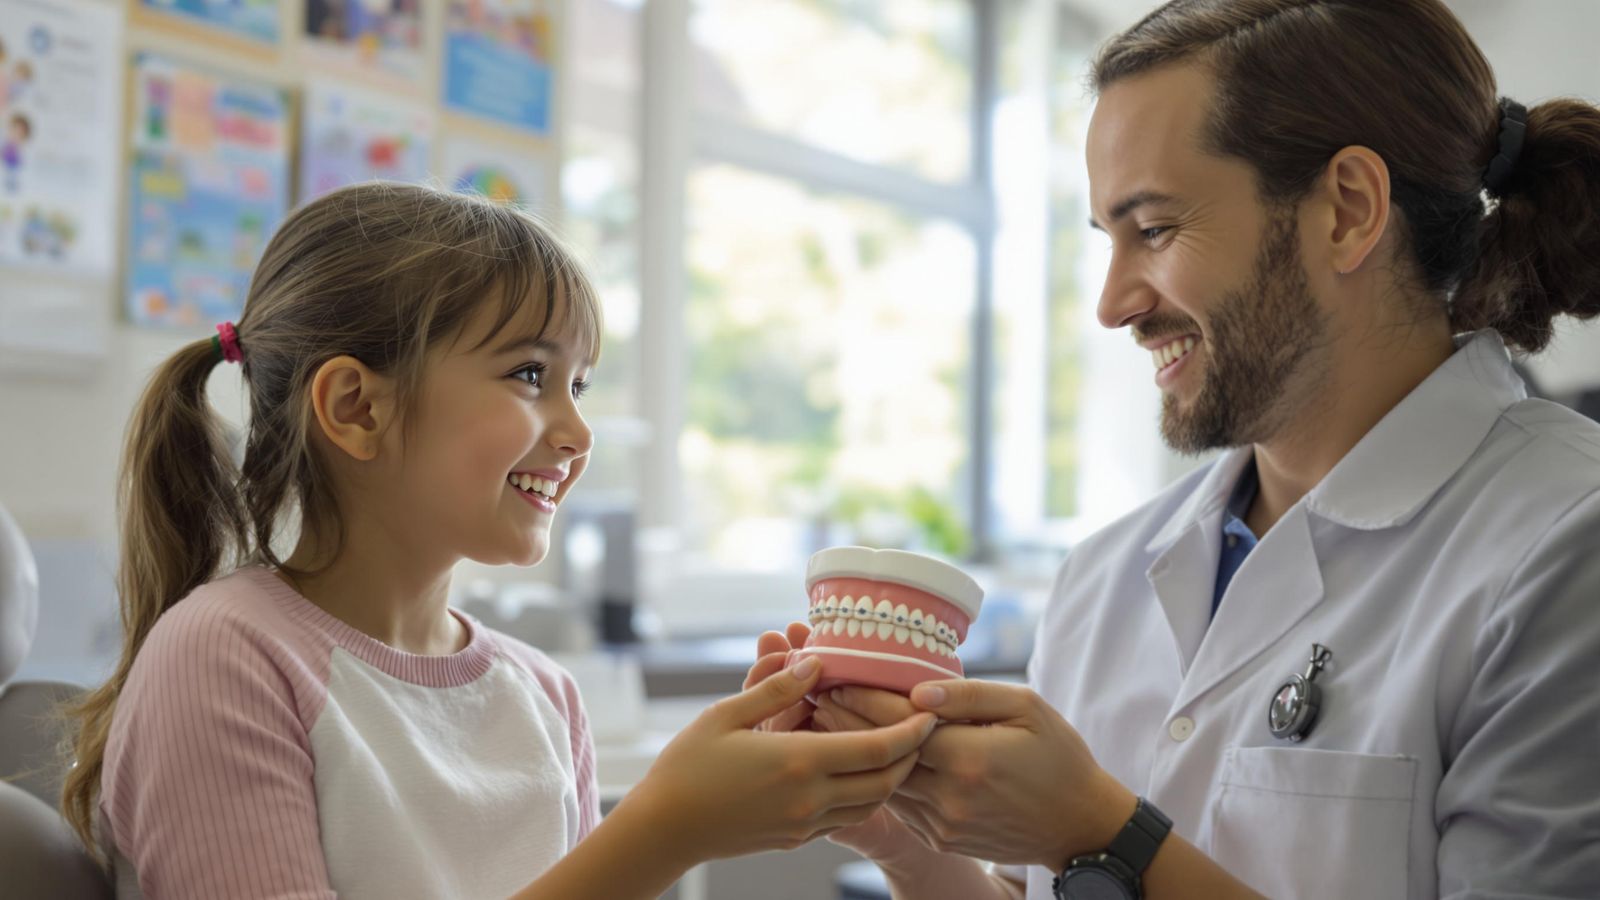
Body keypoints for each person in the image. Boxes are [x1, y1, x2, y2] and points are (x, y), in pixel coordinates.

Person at [747, 1, 1600, 897]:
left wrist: (1102, 835)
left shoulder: (1564, 546)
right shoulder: (1103, 581)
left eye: (1152, 230)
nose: (1113, 304)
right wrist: (911, 841)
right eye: (1107, 242)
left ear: (1348, 210)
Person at [61, 182, 937, 899]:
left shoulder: (543, 694)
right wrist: (665, 830)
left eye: (580, 386)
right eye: (530, 375)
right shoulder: (226, 657)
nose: (577, 433)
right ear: (357, 407)